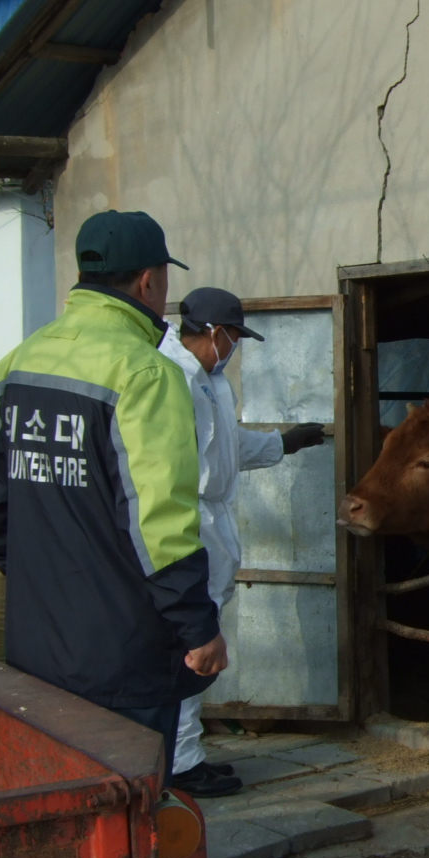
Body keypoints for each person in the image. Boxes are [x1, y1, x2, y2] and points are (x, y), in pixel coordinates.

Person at [0, 209, 224, 858]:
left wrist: (46, 592)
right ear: (150, 281)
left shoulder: (21, 363)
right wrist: (197, 628)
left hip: (36, 651)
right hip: (123, 656)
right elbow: (163, 525)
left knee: (59, 823)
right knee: (132, 824)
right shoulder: (145, 374)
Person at [158, 286, 327, 797]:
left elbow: (227, 449)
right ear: (215, 333)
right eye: (234, 337)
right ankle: (179, 763)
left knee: (199, 644)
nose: (235, 348)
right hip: (185, 519)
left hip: (211, 520)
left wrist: (282, 443)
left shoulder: (210, 381)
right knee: (190, 646)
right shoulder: (170, 377)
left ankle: (185, 755)